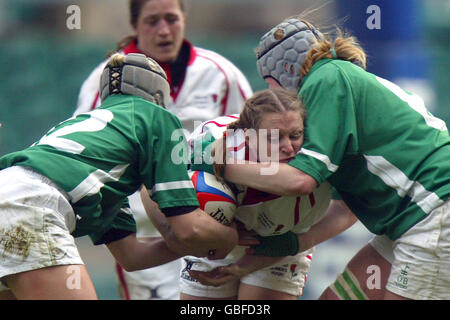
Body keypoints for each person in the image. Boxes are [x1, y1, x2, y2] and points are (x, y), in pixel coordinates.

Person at [215, 16, 450, 300]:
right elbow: (343, 210)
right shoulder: (339, 81)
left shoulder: (326, 78)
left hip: (434, 213)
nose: (275, 98)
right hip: (414, 219)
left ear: (286, 71)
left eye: (270, 85)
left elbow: (301, 181)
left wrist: (220, 166)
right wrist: (293, 243)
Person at [0, 52, 238, 300]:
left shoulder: (97, 146)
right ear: (159, 96)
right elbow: (189, 228)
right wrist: (230, 235)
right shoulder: (158, 117)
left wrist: (186, 244)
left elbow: (131, 256)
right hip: (32, 206)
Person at [73, 0, 252, 300]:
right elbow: (90, 153)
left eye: (171, 19)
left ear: (184, 19)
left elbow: (250, 139)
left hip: (212, 221)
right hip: (143, 234)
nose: (164, 30)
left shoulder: (220, 74)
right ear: (134, 25)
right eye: (152, 21)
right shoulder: (105, 79)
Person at [174, 88, 333, 300]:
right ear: (248, 137)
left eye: (295, 135)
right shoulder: (207, 141)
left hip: (275, 248)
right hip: (212, 243)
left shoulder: (315, 181)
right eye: (274, 138)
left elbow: (297, 239)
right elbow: (155, 194)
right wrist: (216, 234)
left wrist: (242, 267)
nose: (289, 148)